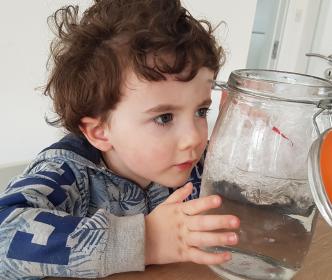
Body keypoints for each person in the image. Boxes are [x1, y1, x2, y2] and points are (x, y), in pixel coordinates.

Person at [0, 0, 240, 278]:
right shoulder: (67, 174)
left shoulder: (201, 165)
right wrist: (146, 240)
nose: (194, 138)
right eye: (164, 118)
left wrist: (243, 136)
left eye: (201, 111)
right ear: (100, 132)